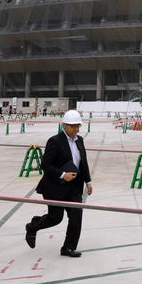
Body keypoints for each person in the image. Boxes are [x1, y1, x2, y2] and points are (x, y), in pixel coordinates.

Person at [25, 110, 93, 257]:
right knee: (55, 218)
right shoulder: (55, 141)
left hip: (74, 187)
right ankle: (32, 227)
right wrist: (62, 175)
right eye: (73, 126)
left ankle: (68, 248)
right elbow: (45, 165)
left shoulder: (80, 140)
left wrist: (88, 181)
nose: (76, 129)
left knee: (76, 215)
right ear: (65, 125)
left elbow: (83, 163)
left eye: (78, 126)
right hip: (55, 187)